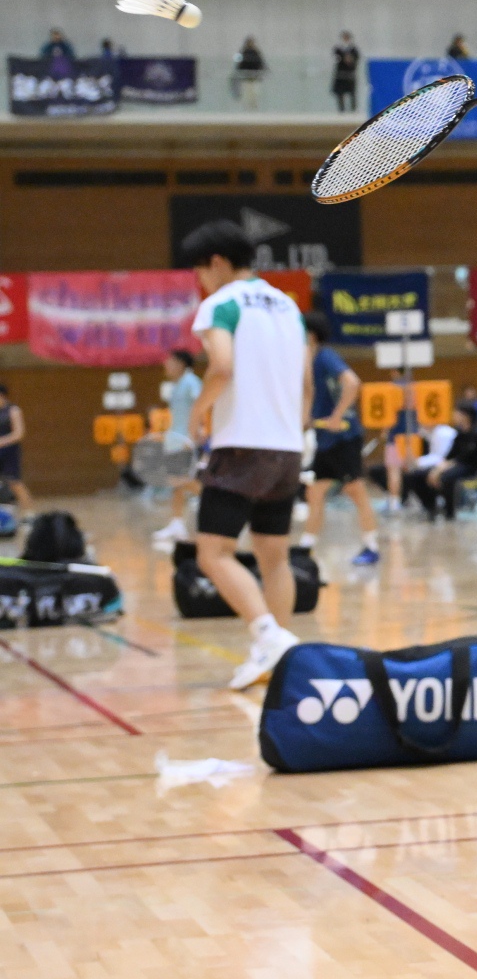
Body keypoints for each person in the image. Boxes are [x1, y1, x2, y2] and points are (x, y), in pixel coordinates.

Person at [177, 220, 309, 691]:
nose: (200, 281)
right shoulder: (288, 306)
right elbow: (306, 384)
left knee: (212, 554)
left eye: (199, 270)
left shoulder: (221, 304)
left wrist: (196, 414)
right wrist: (295, 429)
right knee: (275, 556)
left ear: (216, 262)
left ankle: (267, 635)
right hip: (287, 446)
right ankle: (278, 659)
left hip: (241, 445)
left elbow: (222, 367)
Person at [299, 314, 381, 567]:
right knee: (315, 492)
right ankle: (305, 548)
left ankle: (372, 546)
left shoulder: (325, 356)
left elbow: (352, 382)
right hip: (325, 439)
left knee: (355, 490)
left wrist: (337, 416)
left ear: (311, 335)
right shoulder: (308, 360)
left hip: (344, 438)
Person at [150, 348, 206, 545]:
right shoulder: (177, 385)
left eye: (170, 362)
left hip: (186, 440)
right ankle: (176, 523)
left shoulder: (191, 382)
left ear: (181, 364)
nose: (166, 365)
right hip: (175, 439)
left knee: (179, 479)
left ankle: (213, 499)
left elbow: (202, 404)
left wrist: (199, 429)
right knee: (176, 482)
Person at [404, 412, 477, 521]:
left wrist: (440, 469)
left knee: (445, 478)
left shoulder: (476, 436)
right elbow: (449, 455)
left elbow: (464, 458)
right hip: (450, 464)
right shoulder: (459, 434)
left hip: (467, 467)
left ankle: (449, 511)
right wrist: (438, 468)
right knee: (416, 475)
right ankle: (430, 506)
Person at [0, 381, 23, 530]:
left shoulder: (13, 410)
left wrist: (2, 441)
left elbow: (19, 433)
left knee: (15, 483)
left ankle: (30, 515)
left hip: (9, 452)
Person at [232, 37, 266, 110]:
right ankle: (247, 109)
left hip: (255, 78)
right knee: (246, 95)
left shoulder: (256, 53)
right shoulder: (243, 52)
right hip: (245, 79)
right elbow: (239, 64)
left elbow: (260, 63)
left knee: (255, 94)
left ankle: (254, 109)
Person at [331, 32, 360, 114]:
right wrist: (343, 59)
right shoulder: (338, 49)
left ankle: (353, 110)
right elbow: (335, 59)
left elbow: (357, 59)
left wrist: (351, 60)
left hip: (350, 75)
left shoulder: (353, 49)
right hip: (340, 74)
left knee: (352, 93)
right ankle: (341, 110)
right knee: (340, 93)